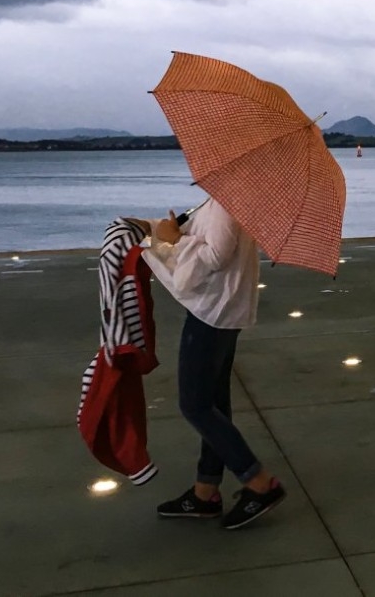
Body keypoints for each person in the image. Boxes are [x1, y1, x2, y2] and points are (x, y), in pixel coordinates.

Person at [128, 198, 286, 529]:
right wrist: (156, 228)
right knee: (213, 403)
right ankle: (205, 491)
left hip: (213, 313)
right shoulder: (224, 198)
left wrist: (173, 241)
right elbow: (202, 235)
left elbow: (216, 254)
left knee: (195, 405)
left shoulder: (228, 201)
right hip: (222, 310)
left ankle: (259, 482)